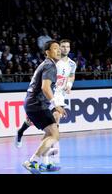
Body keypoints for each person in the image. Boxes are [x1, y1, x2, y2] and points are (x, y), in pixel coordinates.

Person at [15, 39, 76, 169]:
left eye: (59, 48)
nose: (59, 50)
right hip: (38, 103)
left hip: (34, 103)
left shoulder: (50, 64)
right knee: (55, 134)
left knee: (50, 133)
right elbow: (45, 88)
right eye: (55, 48)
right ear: (47, 52)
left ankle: (41, 161)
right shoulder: (50, 65)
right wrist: (55, 105)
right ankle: (33, 161)